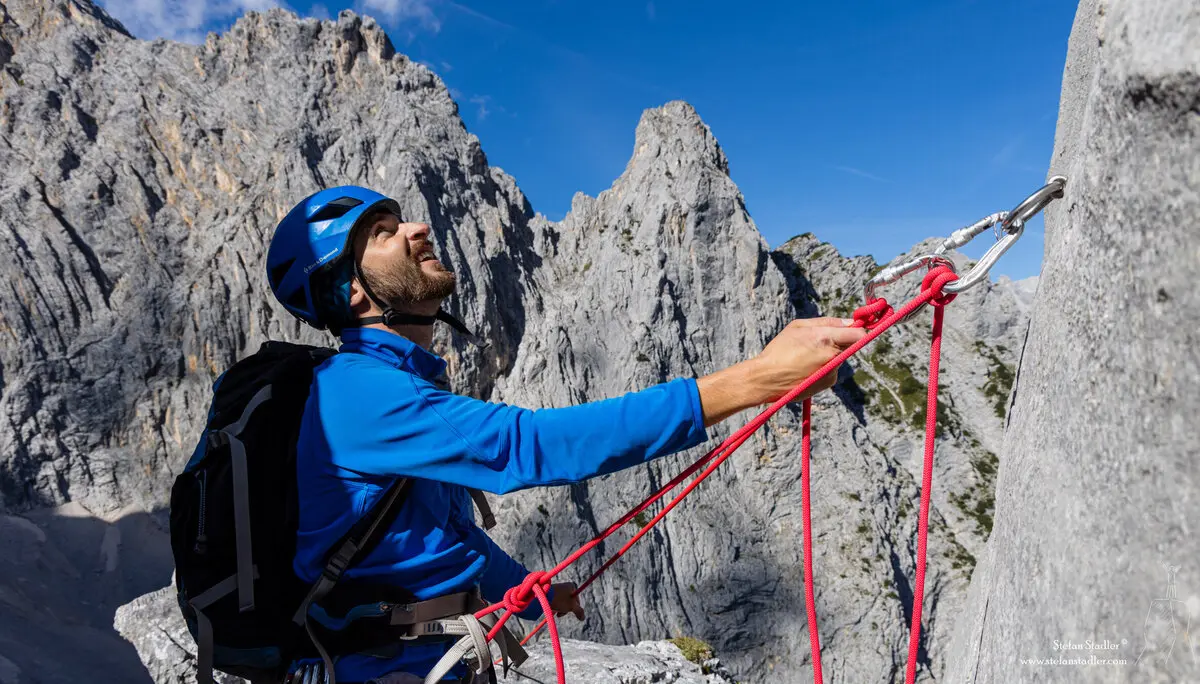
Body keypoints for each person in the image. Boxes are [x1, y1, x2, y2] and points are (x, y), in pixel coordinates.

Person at [266, 185, 866, 683]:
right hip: (386, 668)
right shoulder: (359, 392)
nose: (417, 228)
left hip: (420, 657)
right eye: (383, 232)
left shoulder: (395, 385)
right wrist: (759, 379)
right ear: (351, 291)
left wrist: (527, 595)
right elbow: (534, 445)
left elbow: (438, 531)